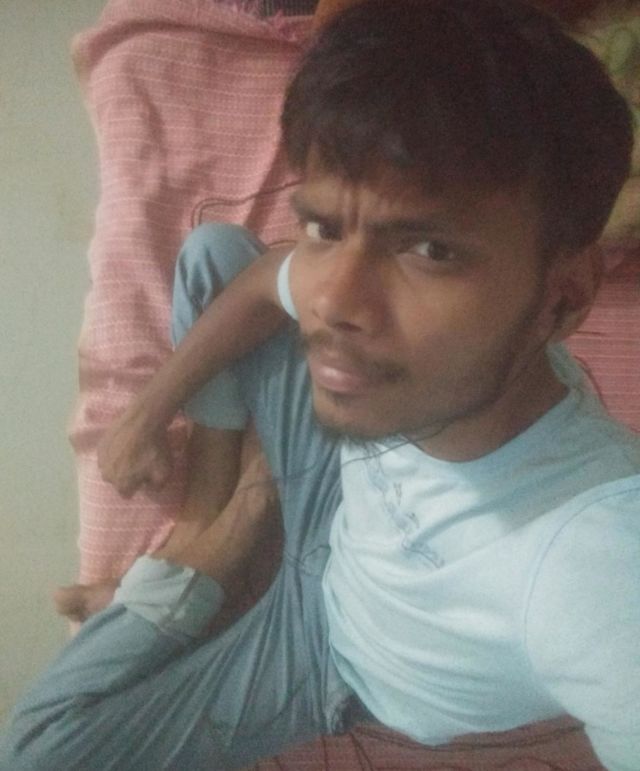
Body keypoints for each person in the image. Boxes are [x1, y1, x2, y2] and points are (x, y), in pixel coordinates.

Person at [2, 1, 639, 769]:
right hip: (337, 487)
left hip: (327, 646)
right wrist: (149, 406)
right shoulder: (418, 365)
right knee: (216, 255)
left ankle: (213, 561)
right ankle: (213, 531)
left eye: (430, 249)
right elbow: (266, 275)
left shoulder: (596, 556)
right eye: (326, 227)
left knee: (39, 753)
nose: (333, 302)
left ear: (564, 298)